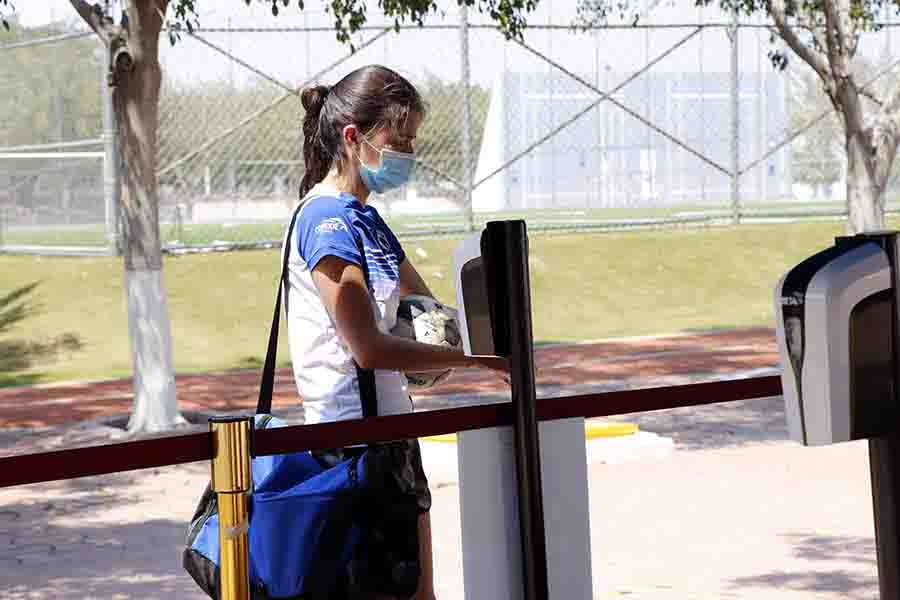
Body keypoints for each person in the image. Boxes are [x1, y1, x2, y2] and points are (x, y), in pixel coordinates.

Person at [284, 64, 508, 599]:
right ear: (353, 137)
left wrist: (478, 331)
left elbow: (429, 312)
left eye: (413, 139)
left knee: (417, 593)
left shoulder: (370, 220)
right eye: (399, 138)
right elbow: (367, 346)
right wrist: (480, 364)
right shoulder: (325, 223)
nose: (409, 152)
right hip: (349, 449)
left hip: (392, 440)